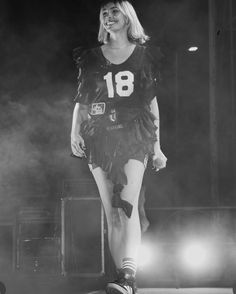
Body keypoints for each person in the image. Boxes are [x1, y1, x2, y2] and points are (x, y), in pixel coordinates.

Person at [71, 1, 167, 293]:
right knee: (111, 212)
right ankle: (122, 281)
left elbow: (151, 101)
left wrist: (157, 147)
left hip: (133, 134)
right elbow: (82, 100)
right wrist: (74, 132)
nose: (108, 17)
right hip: (99, 136)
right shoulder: (90, 57)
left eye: (114, 12)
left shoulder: (142, 56)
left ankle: (128, 274)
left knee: (127, 207)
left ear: (127, 18)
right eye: (104, 13)